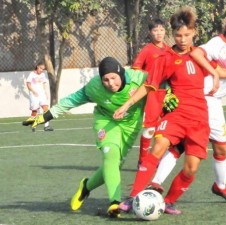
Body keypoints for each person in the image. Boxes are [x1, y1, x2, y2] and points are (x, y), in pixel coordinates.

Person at [149, 12, 226, 203]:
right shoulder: (216, 44)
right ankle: (156, 184)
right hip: (201, 99)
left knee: (219, 149)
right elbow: (196, 53)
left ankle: (218, 186)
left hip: (213, 103)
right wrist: (218, 72)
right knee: (181, 145)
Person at [113, 7, 219, 215]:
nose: (182, 39)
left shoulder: (201, 54)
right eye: (178, 35)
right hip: (177, 115)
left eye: (187, 35)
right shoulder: (166, 58)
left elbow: (220, 70)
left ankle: (168, 201)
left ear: (194, 33)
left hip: (199, 118)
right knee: (158, 146)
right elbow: (149, 85)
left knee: (191, 168)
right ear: (173, 35)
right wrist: (126, 105)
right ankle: (134, 196)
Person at [30, 57, 148, 218]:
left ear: (121, 73)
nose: (110, 83)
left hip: (130, 126)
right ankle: (114, 202)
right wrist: (46, 116)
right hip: (106, 121)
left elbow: (161, 85)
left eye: (114, 78)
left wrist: (169, 97)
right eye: (105, 80)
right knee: (110, 153)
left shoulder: (138, 79)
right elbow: (72, 100)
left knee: (113, 165)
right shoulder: (94, 87)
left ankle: (86, 186)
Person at [132, 18, 172, 165]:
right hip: (152, 93)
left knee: (167, 127)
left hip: (167, 92)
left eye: (161, 30)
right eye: (155, 30)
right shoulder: (147, 50)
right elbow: (136, 69)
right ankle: (142, 160)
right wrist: (147, 79)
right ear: (150, 33)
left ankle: (158, 157)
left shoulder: (169, 50)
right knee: (150, 127)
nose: (159, 33)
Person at [22, 62, 54, 131]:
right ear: (37, 67)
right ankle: (33, 126)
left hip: (42, 95)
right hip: (34, 95)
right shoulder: (32, 74)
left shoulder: (43, 75)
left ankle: (46, 126)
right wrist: (33, 91)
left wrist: (46, 92)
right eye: (40, 68)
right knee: (35, 111)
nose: (41, 70)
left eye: (43, 69)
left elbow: (44, 84)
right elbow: (28, 84)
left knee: (46, 109)